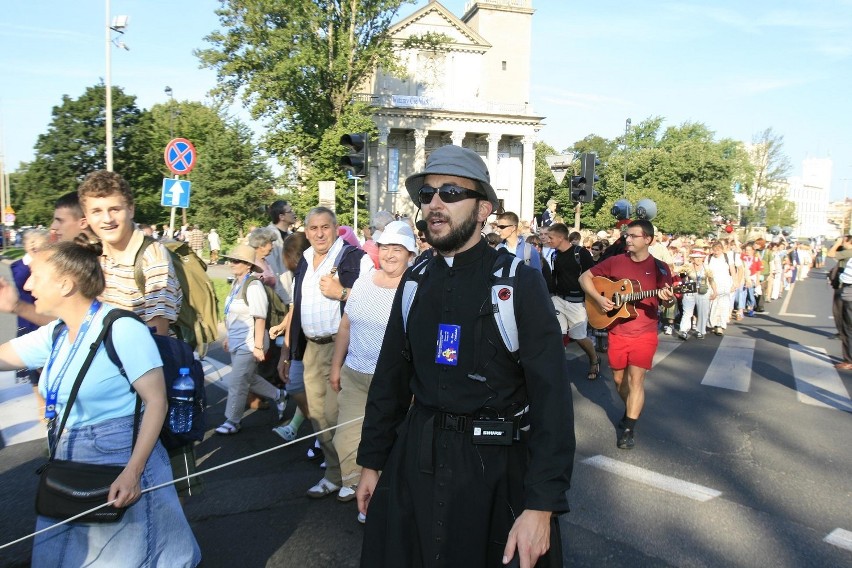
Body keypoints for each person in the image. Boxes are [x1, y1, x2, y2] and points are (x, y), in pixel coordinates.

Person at [356, 145, 574, 567]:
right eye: (428, 194)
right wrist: (371, 461)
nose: (435, 203)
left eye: (452, 192)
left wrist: (542, 505)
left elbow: (552, 402)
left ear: (483, 209)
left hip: (495, 474)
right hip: (415, 468)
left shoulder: (518, 284)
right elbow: (390, 381)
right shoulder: (415, 281)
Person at [0, 241, 200, 566]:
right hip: (68, 462)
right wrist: (10, 307)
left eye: (35, 275)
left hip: (117, 464)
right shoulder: (56, 333)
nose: (27, 284)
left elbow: (156, 402)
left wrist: (133, 473)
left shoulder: (122, 328)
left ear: (66, 284)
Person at [77, 170, 201, 499]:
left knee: (149, 471)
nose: (106, 219)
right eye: (97, 211)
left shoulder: (151, 255)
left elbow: (157, 328)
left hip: (142, 375)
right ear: (86, 216)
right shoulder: (93, 256)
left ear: (130, 208)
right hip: (106, 372)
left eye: (114, 209)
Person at [329, 221, 416, 512]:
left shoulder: (415, 286)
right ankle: (362, 489)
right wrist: (335, 366)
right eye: (385, 247)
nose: (390, 254)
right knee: (346, 440)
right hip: (355, 374)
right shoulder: (365, 280)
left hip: (393, 381)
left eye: (398, 249)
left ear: (410, 253)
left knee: (391, 443)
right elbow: (345, 326)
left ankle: (382, 500)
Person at [286, 207, 371, 498]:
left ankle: (353, 478)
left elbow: (372, 298)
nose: (319, 233)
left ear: (336, 229)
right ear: (306, 232)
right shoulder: (305, 260)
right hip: (311, 346)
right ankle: (335, 474)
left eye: (325, 227)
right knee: (319, 418)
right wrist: (290, 351)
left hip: (341, 347)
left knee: (339, 416)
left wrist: (342, 292)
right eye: (313, 228)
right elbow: (296, 306)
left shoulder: (352, 258)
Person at [580, 219, 674, 450]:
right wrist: (599, 298)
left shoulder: (661, 268)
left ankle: (629, 428)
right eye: (627, 236)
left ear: (648, 240)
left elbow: (669, 299)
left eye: (633, 236)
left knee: (636, 380)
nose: (627, 239)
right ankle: (631, 407)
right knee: (620, 380)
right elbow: (584, 278)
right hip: (617, 330)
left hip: (644, 331)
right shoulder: (615, 261)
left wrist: (669, 298)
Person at [215, 244, 287, 434]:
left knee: (237, 382)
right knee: (247, 378)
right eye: (231, 260)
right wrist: (229, 337)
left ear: (248, 265)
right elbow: (233, 315)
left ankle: (232, 420)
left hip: (250, 342)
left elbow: (260, 317)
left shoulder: (254, 285)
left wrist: (257, 346)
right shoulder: (236, 284)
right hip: (237, 340)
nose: (232, 263)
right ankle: (279, 395)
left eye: (237, 261)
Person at [548, 224, 600, 380]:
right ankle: (557, 368)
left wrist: (591, 300)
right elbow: (554, 276)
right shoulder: (554, 255)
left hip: (576, 303)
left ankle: (594, 360)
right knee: (557, 334)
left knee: (579, 337)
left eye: (551, 238)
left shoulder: (581, 253)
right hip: (558, 299)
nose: (548, 241)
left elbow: (593, 278)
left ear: (561, 238)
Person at [10, 229, 53, 417]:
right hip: (27, 321)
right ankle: (40, 404)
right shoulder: (18, 265)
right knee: (33, 369)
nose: (35, 245)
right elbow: (21, 282)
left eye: (38, 241)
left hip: (47, 318)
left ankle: (51, 400)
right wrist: (32, 260)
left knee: (49, 363)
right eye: (31, 242)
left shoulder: (51, 261)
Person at [677, 249, 716, 340]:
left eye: (700, 257)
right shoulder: (688, 267)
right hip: (690, 291)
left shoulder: (707, 268)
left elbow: (711, 280)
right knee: (687, 311)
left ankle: (700, 331)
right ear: (692, 259)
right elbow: (680, 275)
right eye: (695, 258)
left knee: (702, 312)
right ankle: (684, 330)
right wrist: (684, 276)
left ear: (703, 258)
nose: (698, 259)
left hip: (702, 292)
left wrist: (715, 291)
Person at [706, 241, 736, 336]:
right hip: (712, 283)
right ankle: (713, 323)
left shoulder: (727, 257)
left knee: (723, 305)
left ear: (722, 249)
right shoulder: (709, 258)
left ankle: (720, 325)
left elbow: (732, 270)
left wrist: (735, 283)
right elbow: (707, 271)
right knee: (713, 304)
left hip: (725, 283)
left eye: (718, 250)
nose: (716, 252)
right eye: (714, 250)